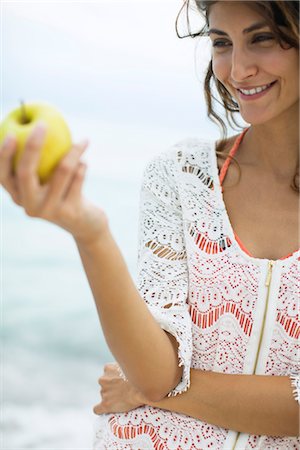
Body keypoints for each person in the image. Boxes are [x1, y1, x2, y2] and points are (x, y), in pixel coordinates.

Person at [0, 0, 299, 449]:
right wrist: (90, 231)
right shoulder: (181, 175)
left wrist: (166, 392)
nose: (237, 69)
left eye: (261, 39)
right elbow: (156, 373)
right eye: (221, 43)